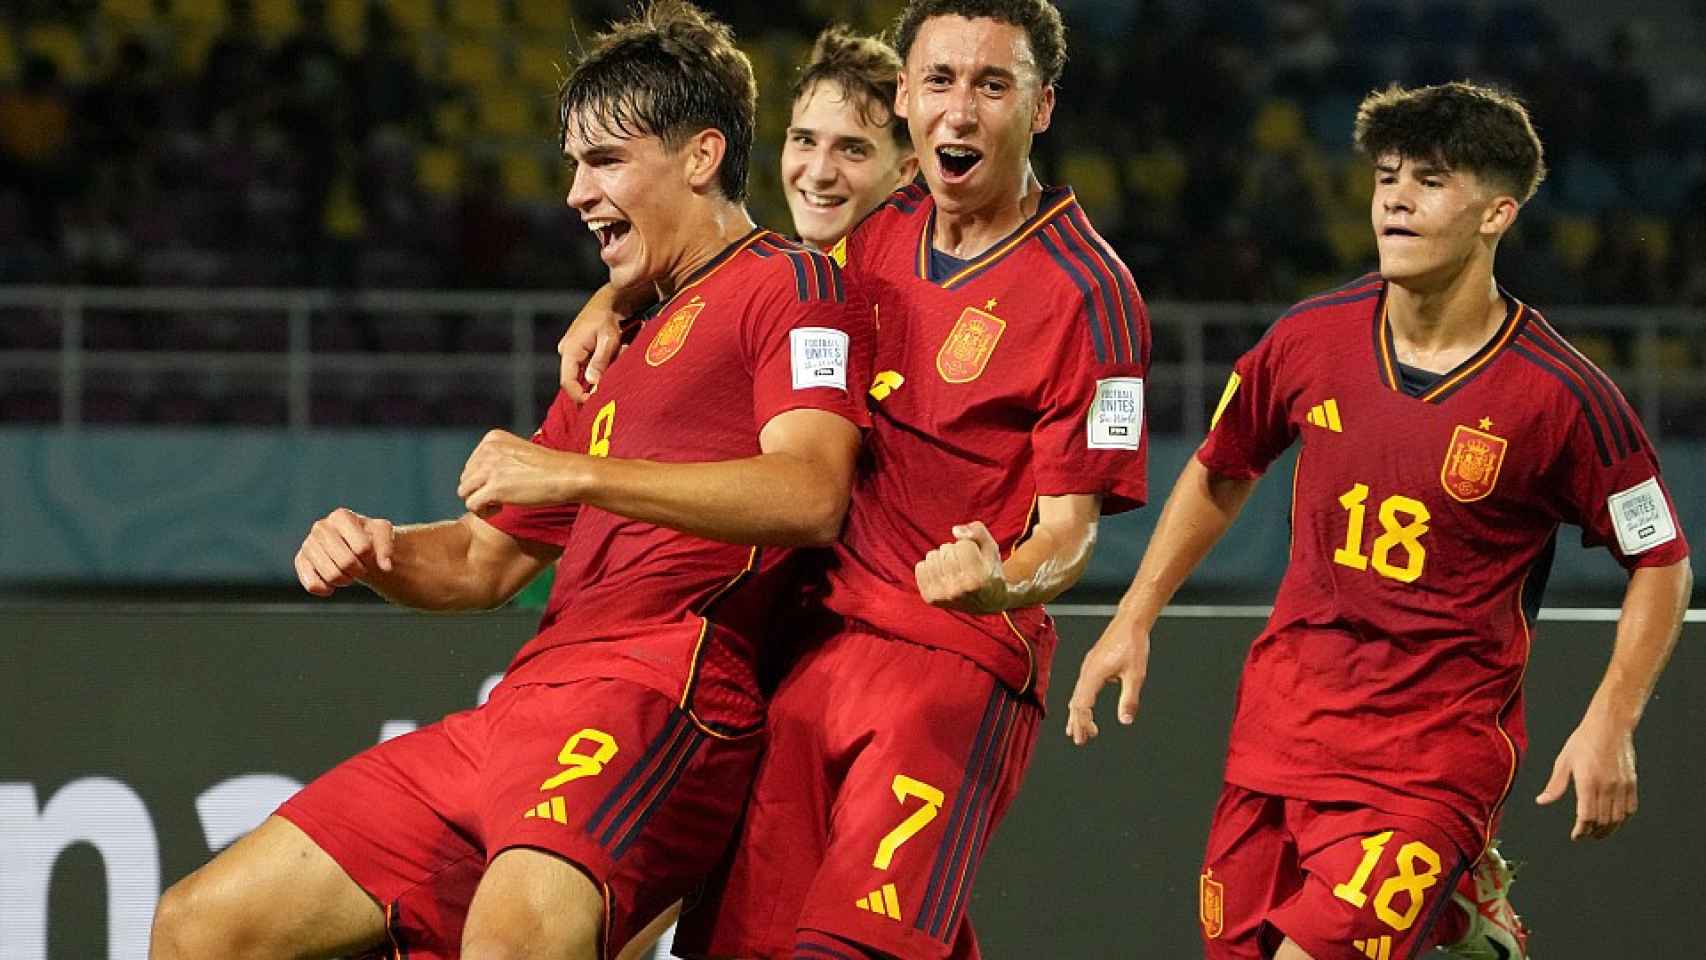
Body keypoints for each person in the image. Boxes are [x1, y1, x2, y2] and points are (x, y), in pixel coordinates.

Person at [147, 3, 871, 959]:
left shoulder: (794, 287)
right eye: (574, 164)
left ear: (700, 158)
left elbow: (811, 494)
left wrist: (582, 472)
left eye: (606, 161)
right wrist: (385, 550)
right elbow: (487, 560)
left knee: (512, 945)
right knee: (199, 927)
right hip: (518, 709)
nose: (577, 192)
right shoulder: (619, 335)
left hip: (661, 692)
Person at [1067, 81, 1692, 960]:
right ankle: (1454, 904)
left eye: (1430, 181)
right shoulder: (1308, 339)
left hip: (1429, 763)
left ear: (1496, 214)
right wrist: (1133, 616)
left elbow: (1661, 559)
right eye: (1387, 176)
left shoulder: (1563, 398)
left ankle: (1446, 871)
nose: (1394, 197)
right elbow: (1221, 469)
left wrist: (1611, 721)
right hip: (1281, 733)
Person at [672, 1, 1150, 956]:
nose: (960, 112)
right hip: (807, 650)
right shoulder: (872, 236)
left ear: (1042, 106)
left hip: (949, 664)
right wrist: (609, 302)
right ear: (905, 96)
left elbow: (1072, 531)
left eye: (992, 84)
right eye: (938, 81)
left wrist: (1001, 583)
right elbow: (731, 288)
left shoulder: (1094, 298)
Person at [781, 25, 919, 253]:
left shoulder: (922, 286)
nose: (819, 173)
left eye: (852, 150)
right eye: (805, 141)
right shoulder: (761, 280)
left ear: (904, 172)